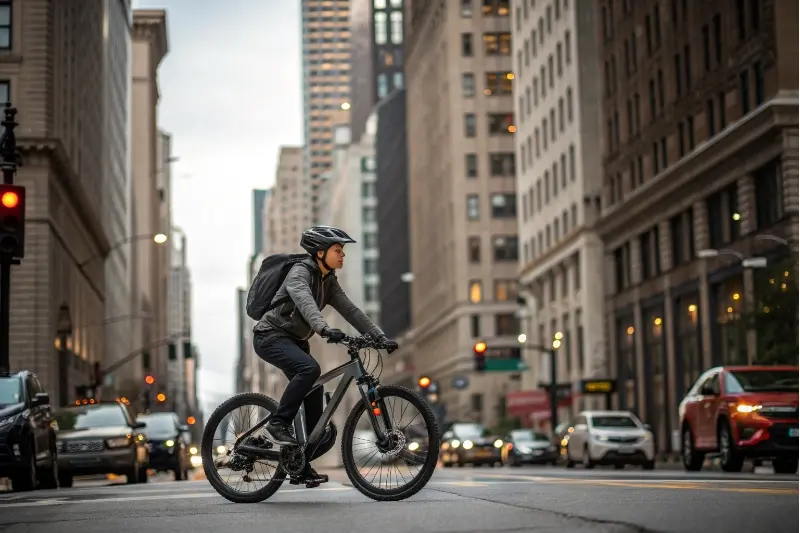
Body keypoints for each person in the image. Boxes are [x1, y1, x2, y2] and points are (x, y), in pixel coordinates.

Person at [252, 225, 398, 486]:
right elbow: (303, 299)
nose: (343, 255)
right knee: (309, 370)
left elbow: (351, 311)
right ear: (320, 253)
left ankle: (300, 465)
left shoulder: (328, 281)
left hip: (295, 341)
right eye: (337, 250)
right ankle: (277, 424)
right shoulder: (300, 272)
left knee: (315, 404)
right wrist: (323, 328)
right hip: (270, 336)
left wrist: (379, 337)